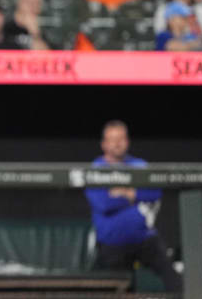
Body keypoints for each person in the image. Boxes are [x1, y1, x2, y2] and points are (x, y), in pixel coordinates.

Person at [85, 120, 181, 292]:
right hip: (112, 243)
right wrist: (135, 193)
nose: (117, 144)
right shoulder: (96, 168)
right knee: (121, 289)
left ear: (127, 141)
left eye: (120, 138)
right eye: (112, 139)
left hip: (144, 238)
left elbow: (155, 193)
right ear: (104, 144)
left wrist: (126, 193)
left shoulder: (139, 165)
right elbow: (104, 203)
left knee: (175, 280)